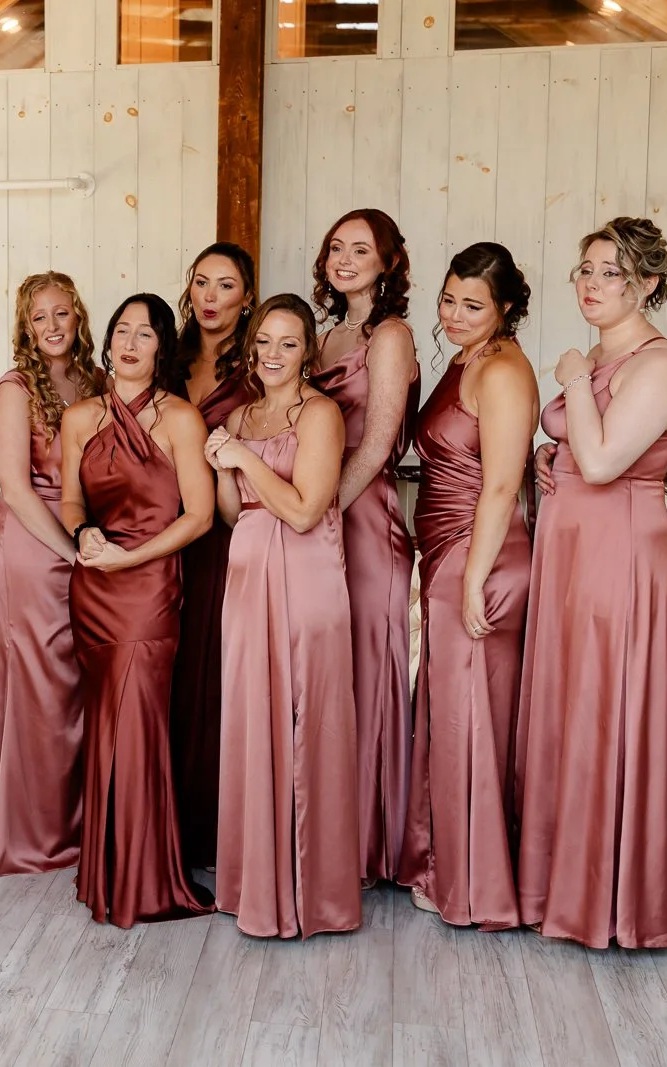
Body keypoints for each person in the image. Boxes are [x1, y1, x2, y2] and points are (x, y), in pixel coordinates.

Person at [517, 217, 667, 949]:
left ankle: (611, 898)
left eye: (610, 272)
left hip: (620, 554)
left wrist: (566, 383)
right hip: (573, 550)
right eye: (584, 269)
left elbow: (599, 463)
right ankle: (563, 883)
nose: (591, 284)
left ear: (647, 284)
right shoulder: (597, 352)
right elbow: (570, 453)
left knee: (604, 709)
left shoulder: (660, 367)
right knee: (569, 708)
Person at [208, 293, 361, 939]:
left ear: (308, 352)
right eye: (264, 341)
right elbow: (228, 512)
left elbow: (304, 510)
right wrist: (221, 462)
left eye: (288, 343)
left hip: (305, 576)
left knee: (309, 721)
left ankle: (313, 893)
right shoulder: (241, 414)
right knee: (252, 719)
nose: (272, 354)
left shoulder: (322, 414)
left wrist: (242, 459)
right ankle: (256, 884)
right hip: (247, 576)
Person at [60, 293, 214, 927]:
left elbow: (201, 517)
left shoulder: (181, 418)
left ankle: (146, 876)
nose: (129, 342)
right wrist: (83, 536)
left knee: (140, 723)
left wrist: (133, 559)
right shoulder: (79, 418)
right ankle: (107, 869)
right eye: (121, 330)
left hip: (151, 589)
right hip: (94, 587)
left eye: (144, 335)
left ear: (162, 348)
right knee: (104, 722)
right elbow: (72, 503)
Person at [397, 244, 538, 928]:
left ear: (506, 308)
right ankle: (440, 861)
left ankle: (476, 884)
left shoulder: (505, 369)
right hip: (449, 551)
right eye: (449, 299)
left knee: (471, 720)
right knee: (449, 715)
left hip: (483, 554)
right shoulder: (464, 360)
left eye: (472, 305)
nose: (454, 314)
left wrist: (475, 578)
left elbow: (504, 483)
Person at [310, 208, 420, 886]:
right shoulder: (324, 337)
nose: (344, 259)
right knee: (329, 680)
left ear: (388, 263)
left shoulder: (391, 335)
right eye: (334, 248)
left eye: (361, 249)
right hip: (320, 513)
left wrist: (320, 516)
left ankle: (372, 845)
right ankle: (328, 834)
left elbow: (377, 444)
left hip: (363, 517)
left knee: (368, 677)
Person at [0, 272, 104, 875]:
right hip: (34, 546)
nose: (53, 327)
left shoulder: (95, 381)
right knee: (39, 683)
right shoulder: (13, 389)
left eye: (62, 314)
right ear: (25, 326)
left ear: (78, 317)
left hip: (89, 541)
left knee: (82, 683)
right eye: (40, 318)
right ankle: (33, 831)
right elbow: (15, 488)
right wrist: (68, 547)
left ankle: (79, 821)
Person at [165, 242, 259, 869]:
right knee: (167, 677)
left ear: (246, 298)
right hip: (160, 535)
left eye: (225, 286)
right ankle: (168, 825)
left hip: (226, 537)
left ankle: (223, 828)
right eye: (202, 282)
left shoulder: (258, 369)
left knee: (219, 674)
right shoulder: (164, 359)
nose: (210, 297)